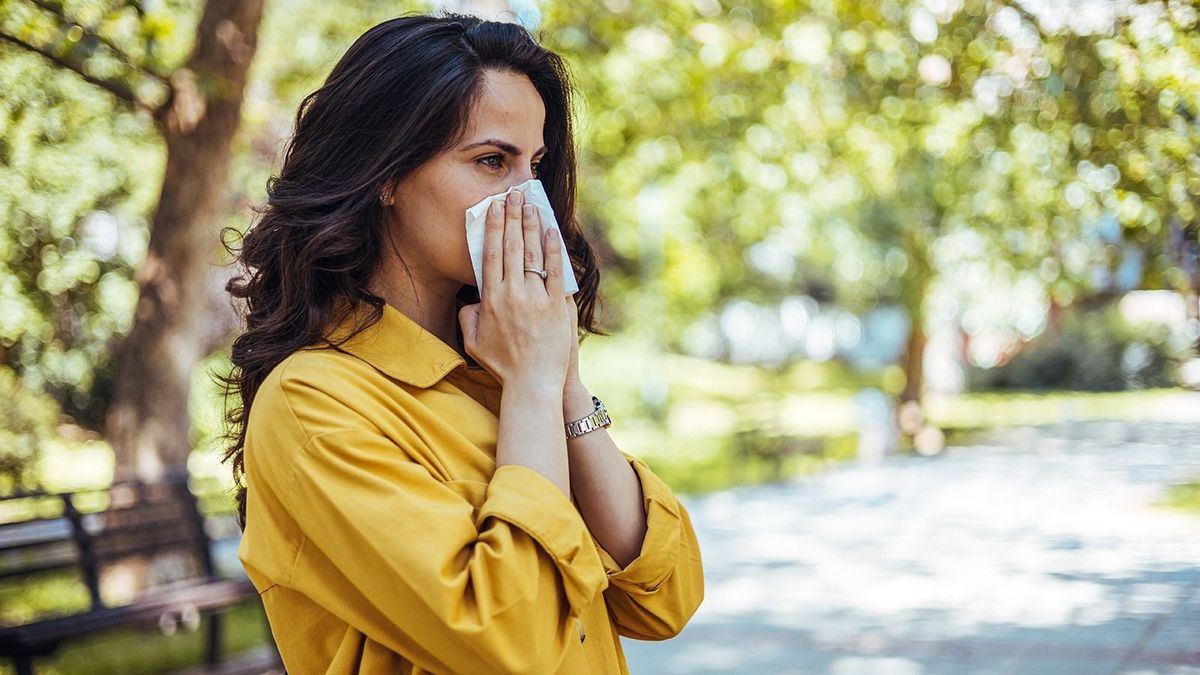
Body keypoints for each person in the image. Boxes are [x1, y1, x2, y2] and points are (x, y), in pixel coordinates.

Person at [219, 12, 704, 674]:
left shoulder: (497, 367)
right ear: (385, 173)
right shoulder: (313, 405)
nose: (526, 200)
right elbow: (514, 643)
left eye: (534, 165)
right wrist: (532, 386)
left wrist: (560, 382)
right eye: (489, 161)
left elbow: (665, 596)